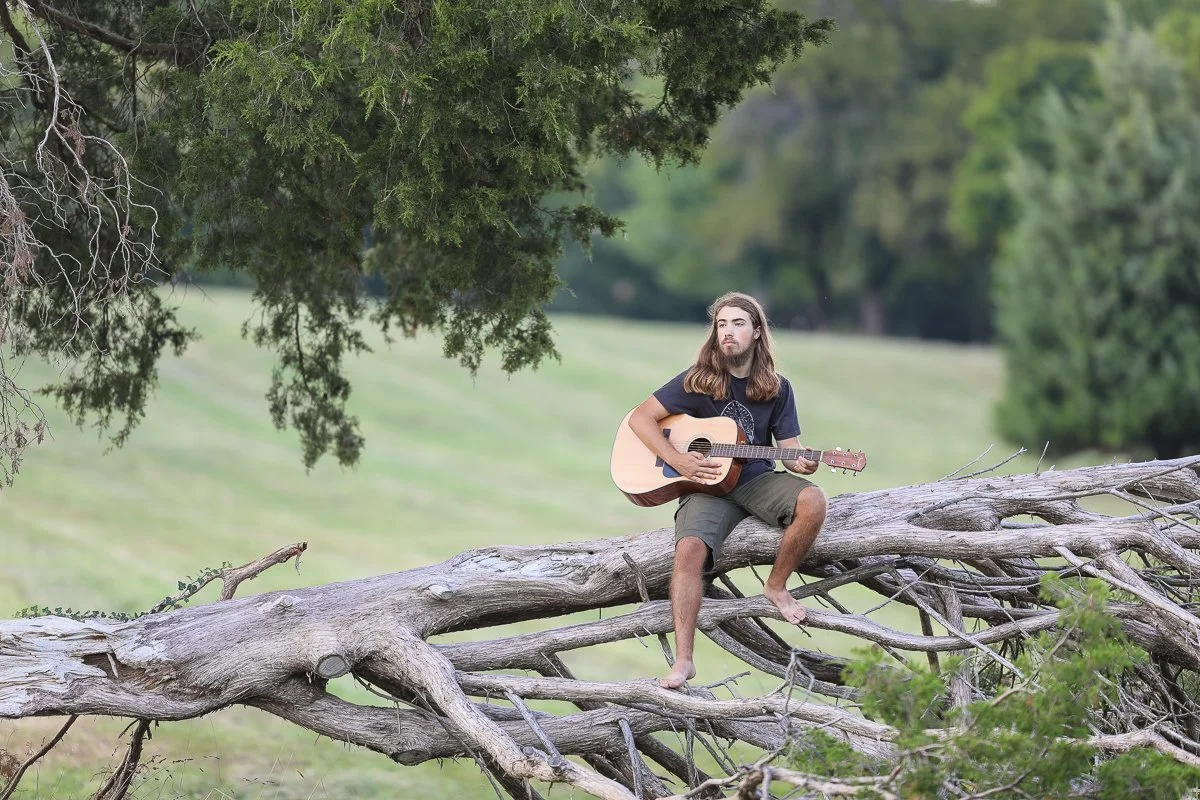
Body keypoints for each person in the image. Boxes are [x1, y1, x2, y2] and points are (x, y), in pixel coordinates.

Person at [627, 292, 827, 689]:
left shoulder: (777, 388)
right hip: (705, 485)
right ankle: (684, 660)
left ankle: (776, 586)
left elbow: (789, 449)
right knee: (688, 549)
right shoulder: (697, 380)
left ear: (757, 332)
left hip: (755, 480)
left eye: (737, 323)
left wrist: (803, 461)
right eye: (721, 324)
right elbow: (640, 419)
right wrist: (679, 459)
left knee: (814, 499)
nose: (728, 332)